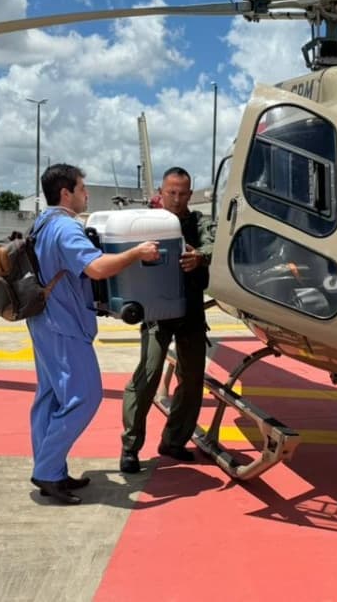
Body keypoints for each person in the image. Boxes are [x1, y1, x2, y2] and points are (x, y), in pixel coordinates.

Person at [27, 163, 161, 505]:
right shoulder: (65, 228)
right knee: (84, 398)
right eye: (82, 188)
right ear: (65, 193)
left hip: (44, 321)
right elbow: (97, 268)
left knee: (50, 397)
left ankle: (52, 470)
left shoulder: (42, 223)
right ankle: (46, 469)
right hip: (65, 326)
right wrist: (137, 253)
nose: (86, 193)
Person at [120, 166, 215, 474]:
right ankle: (130, 447)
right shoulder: (146, 223)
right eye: (171, 192)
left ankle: (173, 441)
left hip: (190, 310)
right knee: (147, 375)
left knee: (192, 379)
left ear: (190, 194)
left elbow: (214, 244)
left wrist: (199, 256)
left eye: (182, 193)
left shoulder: (199, 223)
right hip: (156, 312)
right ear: (161, 193)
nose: (176, 198)